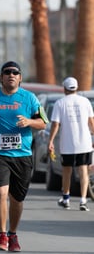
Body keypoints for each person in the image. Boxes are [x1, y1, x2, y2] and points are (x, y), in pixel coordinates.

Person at [0, 61, 48, 252]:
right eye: (7, 72)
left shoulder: (29, 98)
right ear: (1, 77)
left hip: (22, 155)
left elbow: (43, 122)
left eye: (15, 72)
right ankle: (2, 235)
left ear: (20, 78)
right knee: (1, 192)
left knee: (17, 199)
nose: (11, 75)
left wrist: (29, 121)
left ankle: (13, 234)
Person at [48, 77, 94, 211]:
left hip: (67, 144)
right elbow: (91, 123)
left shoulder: (60, 103)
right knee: (83, 170)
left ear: (64, 88)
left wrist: (51, 140)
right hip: (84, 143)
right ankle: (83, 200)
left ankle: (66, 199)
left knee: (66, 171)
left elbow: (55, 124)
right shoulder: (85, 101)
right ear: (77, 88)